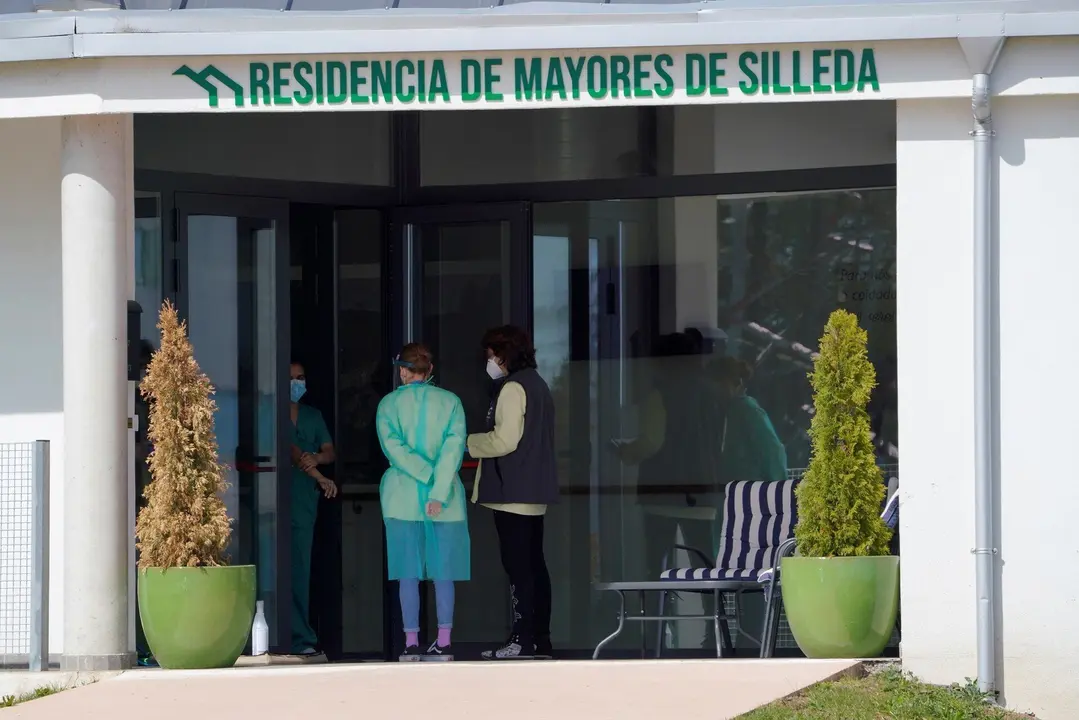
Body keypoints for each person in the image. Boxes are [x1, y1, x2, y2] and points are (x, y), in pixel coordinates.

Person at [468, 325, 559, 660]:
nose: (488, 362)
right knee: (535, 566)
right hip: (533, 491)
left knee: (519, 568)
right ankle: (540, 639)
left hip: (512, 490)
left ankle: (522, 639)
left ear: (503, 354)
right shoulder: (538, 385)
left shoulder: (513, 388)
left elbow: (505, 440)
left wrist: (469, 443)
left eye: (491, 355)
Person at [376, 343, 470, 662]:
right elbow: (454, 448)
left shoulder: (388, 405)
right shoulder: (451, 403)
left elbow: (394, 448)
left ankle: (411, 644)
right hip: (445, 500)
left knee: (408, 571)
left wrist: (424, 476)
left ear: (403, 370)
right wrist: (438, 488)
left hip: (401, 497)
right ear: (430, 371)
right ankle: (444, 642)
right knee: (444, 571)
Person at [289, 361, 336, 660]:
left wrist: (318, 459)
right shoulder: (270, 410)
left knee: (300, 569)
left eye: (301, 378)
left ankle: (300, 636)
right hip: (277, 497)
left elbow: (329, 451)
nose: (297, 383)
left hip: (304, 502)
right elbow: (292, 451)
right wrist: (318, 475)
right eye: (291, 378)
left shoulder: (313, 415)